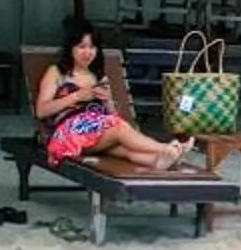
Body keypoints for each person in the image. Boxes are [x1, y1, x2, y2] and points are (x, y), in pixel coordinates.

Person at [34, 25, 196, 172]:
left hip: (96, 133)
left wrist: (107, 100)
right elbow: (41, 111)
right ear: (71, 48)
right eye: (81, 47)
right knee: (119, 128)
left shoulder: (98, 76)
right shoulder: (57, 72)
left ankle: (160, 160)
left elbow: (111, 115)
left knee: (125, 148)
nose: (87, 52)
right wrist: (76, 96)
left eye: (92, 47)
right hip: (69, 135)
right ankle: (166, 148)